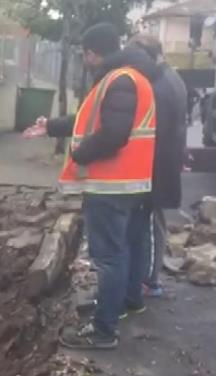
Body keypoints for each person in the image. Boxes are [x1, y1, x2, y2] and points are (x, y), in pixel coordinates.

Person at [24, 22, 159, 350]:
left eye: (85, 55)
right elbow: (90, 120)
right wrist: (52, 126)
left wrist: (79, 152)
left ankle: (103, 331)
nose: (84, 60)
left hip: (112, 185)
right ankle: (115, 306)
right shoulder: (123, 79)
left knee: (109, 257)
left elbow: (112, 133)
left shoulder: (120, 81)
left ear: (91, 53)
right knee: (120, 251)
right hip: (125, 185)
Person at [128, 34, 187, 298]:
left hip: (156, 166)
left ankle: (149, 281)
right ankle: (147, 277)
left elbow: (155, 134)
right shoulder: (169, 77)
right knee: (153, 223)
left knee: (151, 225)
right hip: (163, 163)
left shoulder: (159, 86)